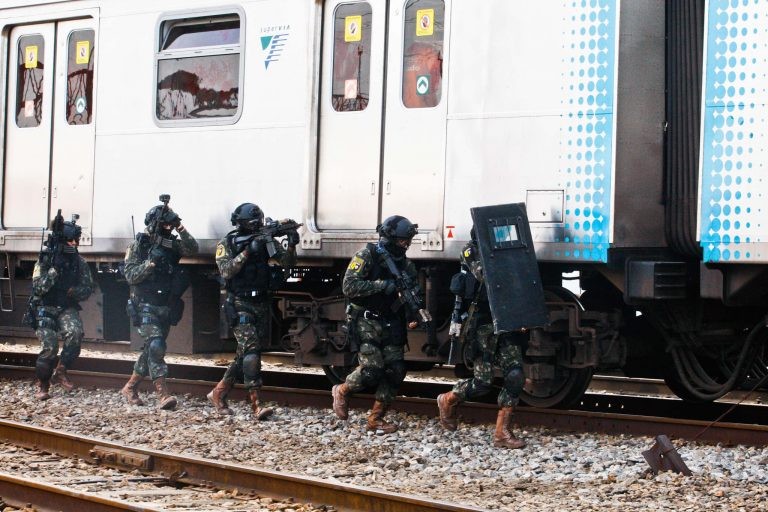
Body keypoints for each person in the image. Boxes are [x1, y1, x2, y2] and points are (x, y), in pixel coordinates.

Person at [207, 203, 298, 419]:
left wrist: (292, 244)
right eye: (252, 222)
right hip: (239, 303)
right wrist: (248, 251)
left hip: (261, 304)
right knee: (251, 354)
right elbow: (226, 270)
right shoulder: (227, 243)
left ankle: (218, 393)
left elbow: (287, 263)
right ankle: (256, 405)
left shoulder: (265, 240)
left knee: (245, 353)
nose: (256, 225)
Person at [437, 231, 527, 448]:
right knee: (483, 383)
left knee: (515, 375)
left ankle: (501, 433)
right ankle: (448, 399)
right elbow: (484, 275)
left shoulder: (506, 252)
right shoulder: (470, 250)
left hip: (505, 319)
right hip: (482, 323)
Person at [331, 215, 420, 433]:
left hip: (391, 319)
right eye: (402, 241)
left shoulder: (406, 264)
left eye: (408, 241)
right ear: (390, 238)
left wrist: (413, 312)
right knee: (371, 370)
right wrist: (382, 285)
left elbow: (413, 290)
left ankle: (376, 417)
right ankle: (342, 390)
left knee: (396, 370)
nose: (406, 245)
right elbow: (349, 286)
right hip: (365, 318)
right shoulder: (367, 255)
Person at [120, 199, 198, 409]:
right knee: (156, 346)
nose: (168, 228)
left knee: (151, 349)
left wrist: (180, 226)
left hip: (165, 305)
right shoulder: (139, 246)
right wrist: (150, 263)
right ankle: (163, 395)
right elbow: (130, 275)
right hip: (144, 304)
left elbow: (192, 248)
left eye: (169, 225)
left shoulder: (171, 244)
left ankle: (130, 387)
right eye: (164, 224)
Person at [31, 215, 94, 400]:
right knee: (49, 347)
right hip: (45, 307)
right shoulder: (45, 259)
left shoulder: (79, 262)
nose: (75, 243)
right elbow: (38, 287)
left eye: (77, 240)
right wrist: (53, 271)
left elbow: (88, 288)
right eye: (70, 240)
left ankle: (61, 370)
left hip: (66, 306)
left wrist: (75, 292)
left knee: (75, 334)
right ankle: (43, 384)